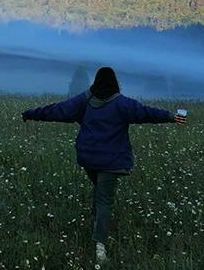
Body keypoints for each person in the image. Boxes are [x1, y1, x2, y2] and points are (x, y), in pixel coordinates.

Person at [21, 66, 187, 264]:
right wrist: (170, 116)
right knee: (104, 201)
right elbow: (146, 113)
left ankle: (96, 224)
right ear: (115, 82)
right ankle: (100, 246)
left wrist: (30, 113)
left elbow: (58, 110)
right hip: (112, 161)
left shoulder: (85, 100)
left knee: (100, 193)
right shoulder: (122, 103)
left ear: (96, 81)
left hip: (89, 159)